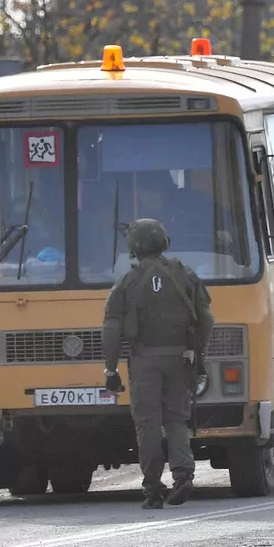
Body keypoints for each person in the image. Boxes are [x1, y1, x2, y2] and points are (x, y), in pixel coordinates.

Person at [102, 218, 214, 510]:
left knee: (147, 423)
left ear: (134, 248)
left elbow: (112, 327)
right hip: (180, 358)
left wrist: (111, 369)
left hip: (144, 360)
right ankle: (183, 475)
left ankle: (152, 488)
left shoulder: (128, 281)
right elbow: (206, 319)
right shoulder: (185, 275)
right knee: (176, 419)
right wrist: (197, 352)